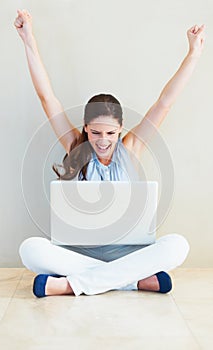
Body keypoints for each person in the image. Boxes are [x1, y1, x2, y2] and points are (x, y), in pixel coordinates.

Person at [14, 9, 205, 297]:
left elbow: (164, 103)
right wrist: (28, 39)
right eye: (96, 132)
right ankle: (131, 282)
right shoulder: (75, 148)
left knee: (178, 245)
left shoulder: (131, 149)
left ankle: (70, 285)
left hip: (129, 255)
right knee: (30, 250)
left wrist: (193, 54)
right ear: (86, 129)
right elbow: (47, 98)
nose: (103, 141)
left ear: (121, 130)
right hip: (81, 255)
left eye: (111, 133)